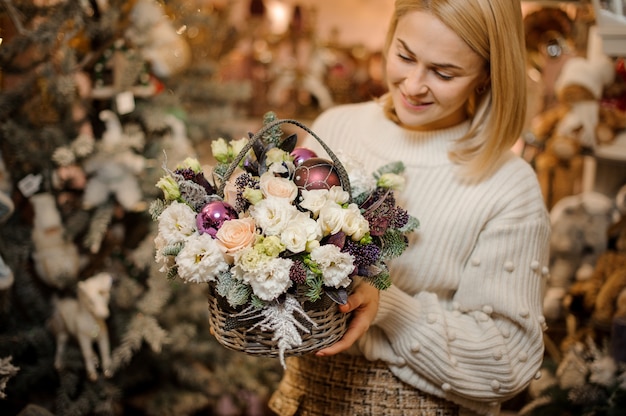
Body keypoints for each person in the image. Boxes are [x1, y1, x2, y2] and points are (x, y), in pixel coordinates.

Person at [268, 0, 551, 415]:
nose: (414, 84)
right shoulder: (336, 127)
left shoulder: (508, 185)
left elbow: (508, 364)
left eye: (444, 72)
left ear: (487, 74)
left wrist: (389, 307)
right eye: (404, 55)